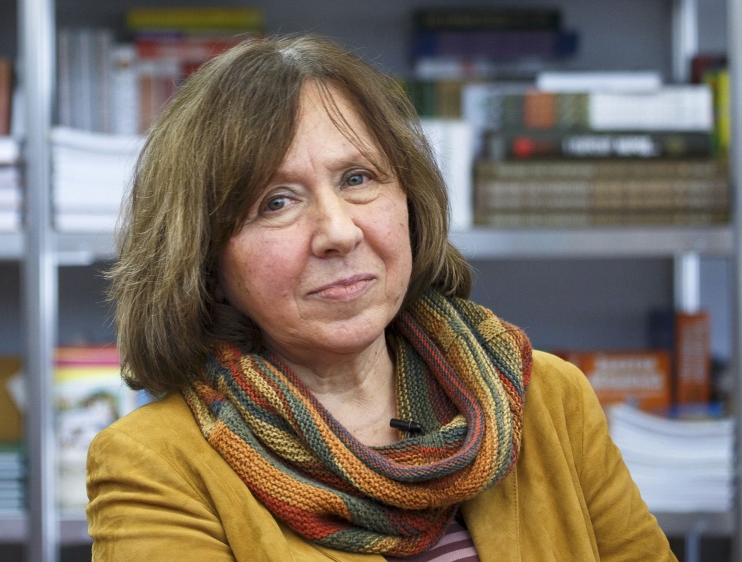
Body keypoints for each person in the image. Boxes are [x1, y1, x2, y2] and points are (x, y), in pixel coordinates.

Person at [87, 35, 675, 561]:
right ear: (204, 257)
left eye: (357, 178)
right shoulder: (154, 464)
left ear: (409, 200)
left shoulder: (548, 397)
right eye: (277, 202)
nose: (339, 232)